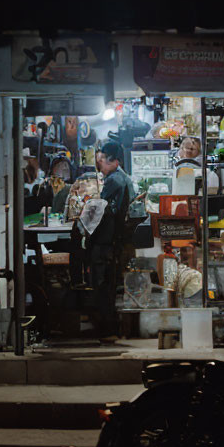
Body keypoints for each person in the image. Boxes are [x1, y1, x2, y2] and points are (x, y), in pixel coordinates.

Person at [88, 141, 135, 344]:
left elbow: (99, 206)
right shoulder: (121, 178)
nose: (100, 166)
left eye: (102, 161)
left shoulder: (115, 180)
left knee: (103, 285)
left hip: (107, 241)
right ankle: (109, 327)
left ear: (114, 161)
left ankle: (106, 329)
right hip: (115, 241)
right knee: (108, 284)